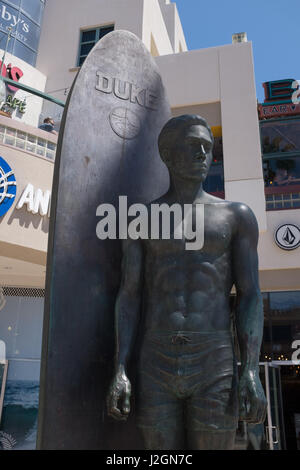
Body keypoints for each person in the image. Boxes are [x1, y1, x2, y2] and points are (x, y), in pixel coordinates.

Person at [107, 115, 267, 450]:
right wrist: (120, 367)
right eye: (194, 146)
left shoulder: (236, 216)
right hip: (156, 358)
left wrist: (250, 369)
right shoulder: (141, 219)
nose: (203, 155)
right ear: (167, 154)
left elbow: (250, 295)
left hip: (214, 359)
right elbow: (130, 295)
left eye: (208, 148)